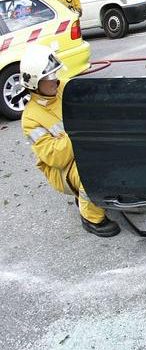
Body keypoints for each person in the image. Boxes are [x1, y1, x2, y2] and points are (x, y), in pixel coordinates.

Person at [19, 45, 120, 237]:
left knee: (120, 153)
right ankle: (91, 217)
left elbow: (93, 104)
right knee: (93, 170)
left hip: (84, 146)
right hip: (61, 169)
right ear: (35, 83)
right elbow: (56, 158)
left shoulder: (63, 87)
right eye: (49, 78)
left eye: (55, 74)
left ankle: (112, 195)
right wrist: (79, 129)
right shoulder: (31, 119)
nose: (55, 80)